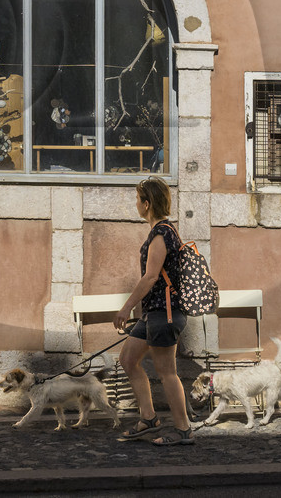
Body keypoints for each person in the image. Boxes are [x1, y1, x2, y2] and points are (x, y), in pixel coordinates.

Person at [113, 176, 194, 445]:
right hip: (153, 313)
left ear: (146, 204)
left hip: (164, 313)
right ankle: (149, 418)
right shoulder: (160, 231)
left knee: (166, 371)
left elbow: (150, 277)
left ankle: (183, 430)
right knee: (128, 359)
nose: (136, 204)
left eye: (138, 199)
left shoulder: (162, 233)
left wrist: (126, 308)